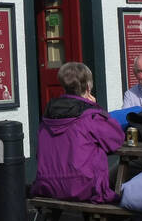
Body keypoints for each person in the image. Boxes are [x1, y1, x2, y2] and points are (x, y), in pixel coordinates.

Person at [30, 62, 124, 203]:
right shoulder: (91, 116)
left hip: (48, 186)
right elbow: (116, 140)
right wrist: (95, 107)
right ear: (88, 87)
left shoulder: (47, 117)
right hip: (85, 187)